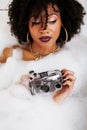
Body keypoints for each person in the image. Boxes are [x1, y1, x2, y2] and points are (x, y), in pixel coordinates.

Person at [0, 0, 85, 103]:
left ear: (62, 21)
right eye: (36, 22)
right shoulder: (11, 55)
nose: (44, 29)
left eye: (52, 20)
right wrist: (17, 87)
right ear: (26, 23)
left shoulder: (77, 58)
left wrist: (59, 98)